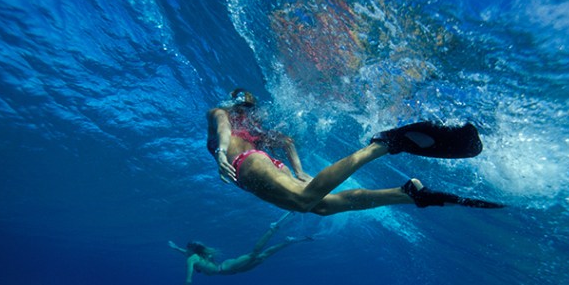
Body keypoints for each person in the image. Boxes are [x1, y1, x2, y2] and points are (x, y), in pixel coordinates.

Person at [207, 88, 503, 215]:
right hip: (260, 166)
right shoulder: (250, 129)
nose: (248, 110)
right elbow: (286, 142)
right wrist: (296, 170)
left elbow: (221, 127)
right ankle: (407, 193)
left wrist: (222, 153)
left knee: (303, 199)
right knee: (321, 206)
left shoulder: (221, 114)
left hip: (248, 165)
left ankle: (383, 145)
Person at [168, 212, 311, 285]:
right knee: (262, 257)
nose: (186, 252)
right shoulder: (195, 256)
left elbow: (188, 281)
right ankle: (288, 242)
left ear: (191, 250)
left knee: (255, 253)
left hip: (227, 267)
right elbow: (186, 253)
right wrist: (176, 249)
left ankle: (273, 228)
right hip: (232, 270)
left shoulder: (191, 259)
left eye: (187, 250)